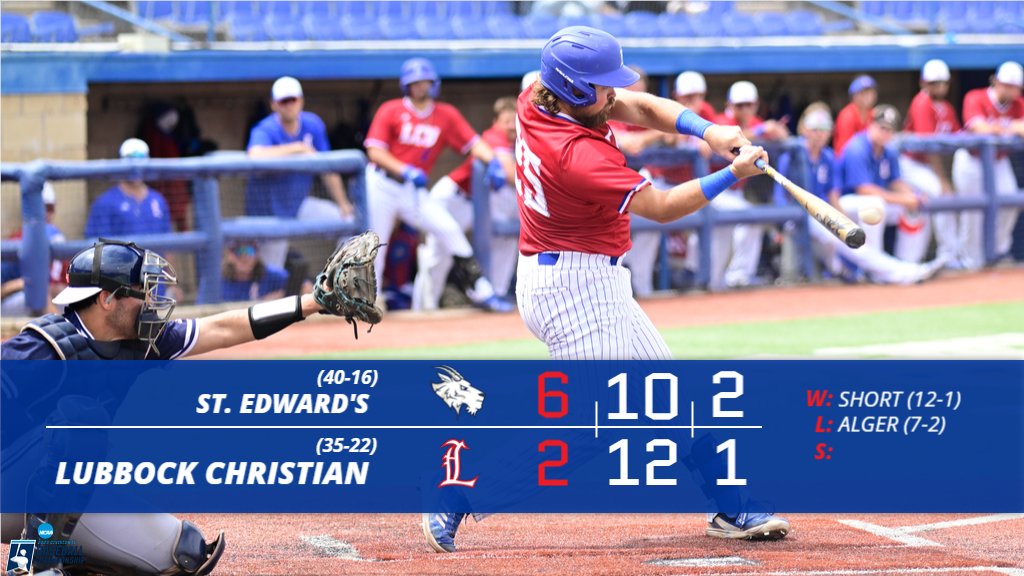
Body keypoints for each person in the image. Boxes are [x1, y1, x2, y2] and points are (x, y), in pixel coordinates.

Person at [422, 26, 790, 554]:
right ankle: (458, 494)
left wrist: (707, 129)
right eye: (600, 86)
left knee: (670, 394)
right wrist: (730, 173)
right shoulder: (576, 156)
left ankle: (730, 505)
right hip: (576, 289)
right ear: (572, 90)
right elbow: (661, 208)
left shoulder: (538, 96)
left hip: (581, 278)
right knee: (590, 428)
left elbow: (635, 105)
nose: (612, 93)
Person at [1, 239, 332, 574]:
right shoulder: (40, 349)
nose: (151, 301)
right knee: (81, 421)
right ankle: (31, 565)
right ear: (106, 299)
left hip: (51, 495)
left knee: (182, 553)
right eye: (141, 291)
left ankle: (65, 560)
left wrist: (313, 302)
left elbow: (221, 328)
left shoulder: (140, 343)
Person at [363, 57, 512, 313]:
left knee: (449, 229)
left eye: (426, 82)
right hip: (382, 184)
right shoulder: (391, 109)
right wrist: (404, 169)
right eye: (416, 83)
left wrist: (494, 162)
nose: (422, 87)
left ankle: (481, 290)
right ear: (406, 85)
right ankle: (368, 301)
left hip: (413, 191)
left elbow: (474, 143)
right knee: (377, 243)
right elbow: (374, 152)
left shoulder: (445, 114)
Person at [776, 103, 943, 284]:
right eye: (814, 129)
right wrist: (783, 224)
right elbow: (780, 194)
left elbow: (833, 193)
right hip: (802, 215)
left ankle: (905, 267)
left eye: (823, 129)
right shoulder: (793, 155)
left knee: (850, 236)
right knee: (844, 240)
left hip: (827, 211)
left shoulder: (828, 156)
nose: (819, 134)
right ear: (804, 129)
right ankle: (893, 272)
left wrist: (843, 219)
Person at [412, 95, 520, 310]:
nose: (510, 126)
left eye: (513, 121)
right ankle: (422, 310)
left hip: (475, 205)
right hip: (451, 197)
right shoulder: (492, 137)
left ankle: (495, 292)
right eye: (506, 121)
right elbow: (510, 173)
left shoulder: (517, 142)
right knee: (437, 258)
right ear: (495, 122)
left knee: (507, 238)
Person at [246, 76, 355, 269]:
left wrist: (343, 203)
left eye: (293, 100)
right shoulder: (266, 128)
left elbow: (327, 169)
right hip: (270, 214)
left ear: (301, 101)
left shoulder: (313, 125)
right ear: (274, 105)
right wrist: (298, 148)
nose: (289, 105)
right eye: (283, 101)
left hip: (299, 204)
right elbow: (255, 155)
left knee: (350, 224)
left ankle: (340, 284)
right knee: (272, 274)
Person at [691, 80, 789, 290]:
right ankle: (738, 276)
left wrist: (777, 130)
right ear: (730, 105)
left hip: (734, 192)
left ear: (755, 105)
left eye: (748, 104)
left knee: (722, 236)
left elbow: (784, 137)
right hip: (712, 187)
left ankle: (715, 284)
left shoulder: (755, 122)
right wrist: (763, 129)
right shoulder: (720, 121)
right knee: (749, 217)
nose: (744, 109)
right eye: (739, 105)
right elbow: (710, 144)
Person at [951, 60, 1024, 269]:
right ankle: (970, 261)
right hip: (971, 161)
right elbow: (980, 128)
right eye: (1006, 85)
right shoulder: (975, 97)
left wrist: (1002, 127)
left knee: (1010, 201)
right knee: (972, 213)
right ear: (996, 82)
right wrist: (1011, 126)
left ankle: (999, 252)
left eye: (1015, 87)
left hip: (999, 161)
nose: (1011, 91)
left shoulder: (1019, 104)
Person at [836, 104, 927, 260]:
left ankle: (907, 264)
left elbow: (895, 181)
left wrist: (914, 196)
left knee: (913, 209)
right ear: (871, 125)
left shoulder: (888, 150)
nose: (885, 133)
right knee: (874, 206)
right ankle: (875, 266)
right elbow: (863, 190)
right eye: (881, 127)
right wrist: (902, 199)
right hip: (844, 204)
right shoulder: (857, 147)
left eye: (889, 129)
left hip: (876, 201)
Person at [900, 59, 962, 265]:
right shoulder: (921, 102)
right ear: (923, 83)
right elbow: (929, 147)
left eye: (942, 82)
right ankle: (948, 255)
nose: (939, 86)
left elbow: (959, 137)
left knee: (945, 197)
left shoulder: (946, 108)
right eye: (934, 82)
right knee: (939, 192)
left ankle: (950, 253)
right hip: (910, 164)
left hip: (928, 166)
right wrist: (943, 178)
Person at [84, 138, 173, 239]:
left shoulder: (158, 200)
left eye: (140, 163)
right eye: (131, 164)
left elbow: (168, 248)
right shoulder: (104, 203)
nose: (135, 170)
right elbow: (96, 248)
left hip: (153, 255)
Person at [1, 182, 67, 316]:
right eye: (40, 208)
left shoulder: (55, 236)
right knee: (37, 295)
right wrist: (21, 284)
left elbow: (60, 285)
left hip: (47, 301)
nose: (45, 214)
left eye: (49, 208)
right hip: (10, 304)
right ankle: (61, 334)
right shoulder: (14, 242)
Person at [196, 241, 290, 304]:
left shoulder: (271, 274)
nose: (244, 257)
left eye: (250, 251)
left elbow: (303, 287)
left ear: (257, 255)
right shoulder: (214, 281)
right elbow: (200, 311)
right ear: (230, 256)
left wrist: (280, 296)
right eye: (239, 251)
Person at [834, 75, 878, 155]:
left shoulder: (873, 114)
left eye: (869, 92)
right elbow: (844, 149)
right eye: (862, 93)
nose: (867, 96)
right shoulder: (847, 115)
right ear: (854, 96)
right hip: (849, 159)